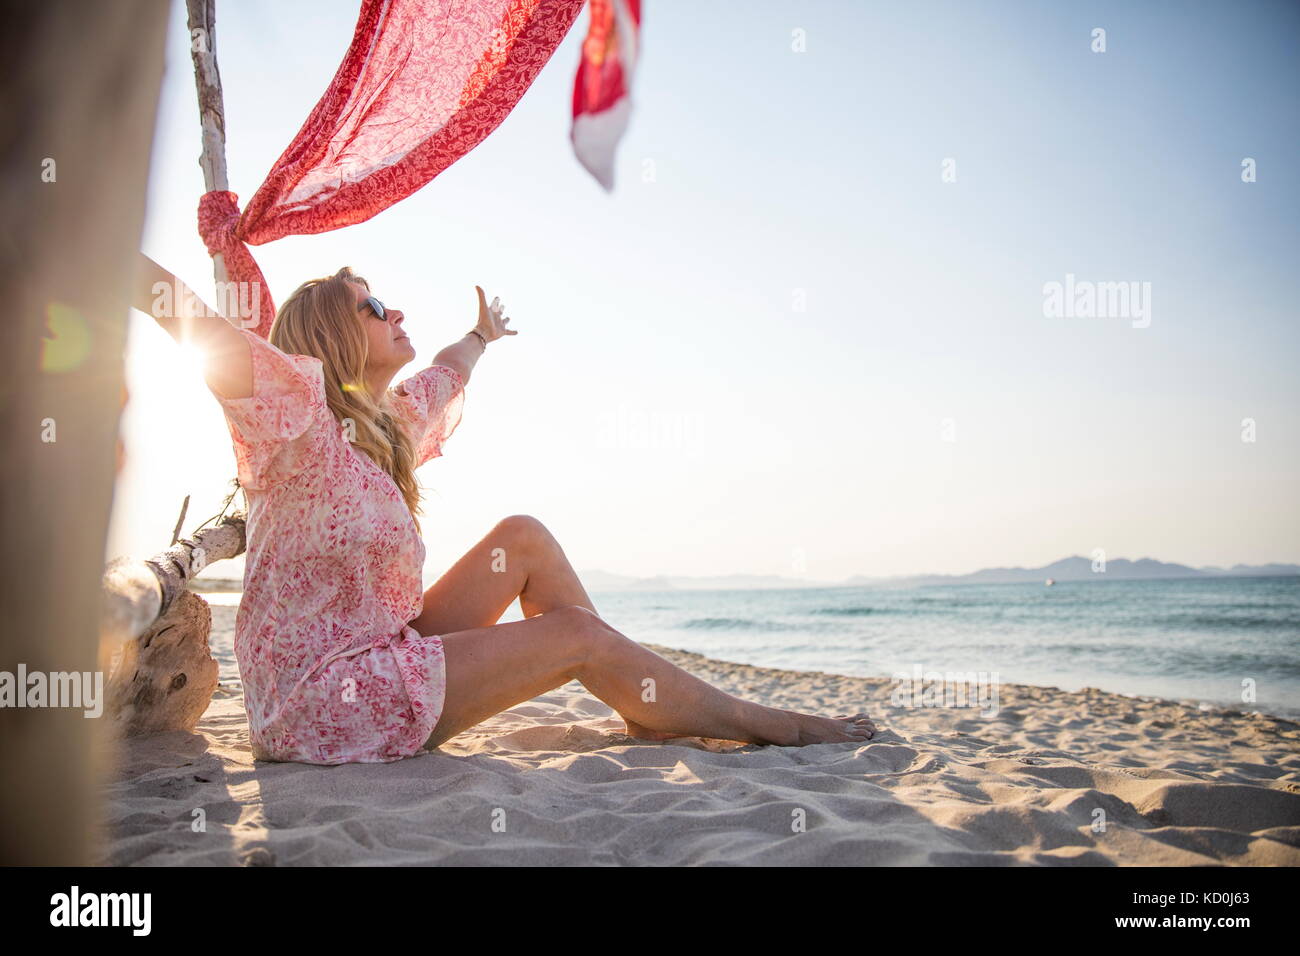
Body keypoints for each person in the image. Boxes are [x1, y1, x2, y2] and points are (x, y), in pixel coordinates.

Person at [132, 256, 878, 764]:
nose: (397, 312)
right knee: (576, 637)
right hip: (320, 699)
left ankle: (645, 703)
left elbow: (446, 375)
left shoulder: (383, 428)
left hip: (376, 648)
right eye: (376, 306)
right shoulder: (294, 415)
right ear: (331, 333)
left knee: (522, 538)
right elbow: (193, 320)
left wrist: (482, 334)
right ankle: (759, 721)